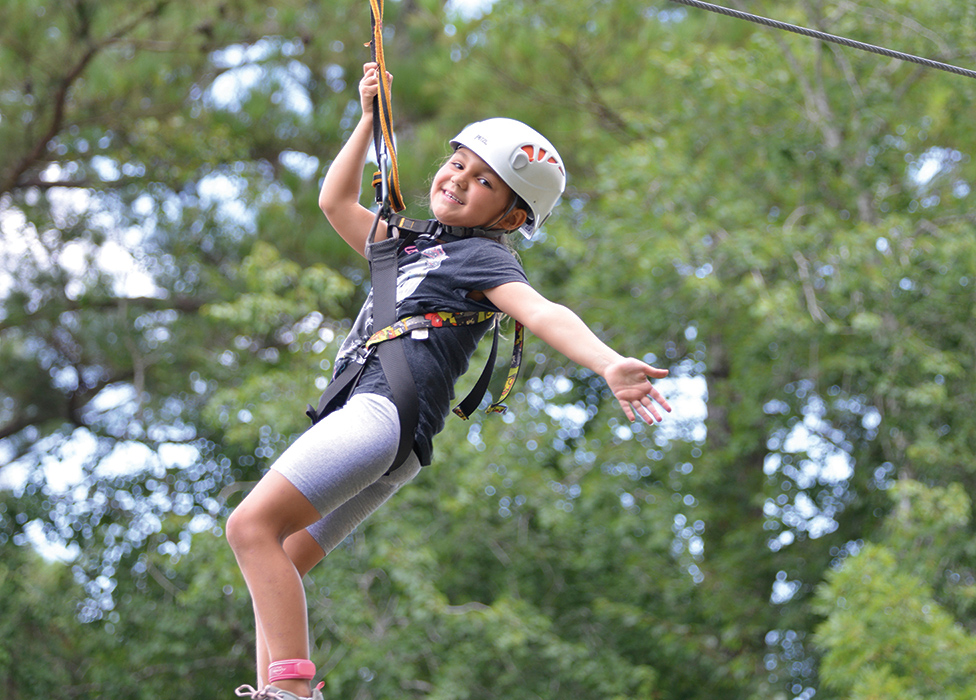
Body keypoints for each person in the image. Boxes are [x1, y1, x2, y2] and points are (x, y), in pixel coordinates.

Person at [225, 62, 672, 700]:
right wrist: (365, 122)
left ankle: (291, 692)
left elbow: (541, 312)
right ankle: (279, 689)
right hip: (394, 436)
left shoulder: (483, 256)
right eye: (458, 163)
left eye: (485, 181)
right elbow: (334, 203)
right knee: (284, 554)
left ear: (513, 217)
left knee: (249, 528)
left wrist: (606, 362)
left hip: (383, 413)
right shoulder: (412, 245)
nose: (459, 180)